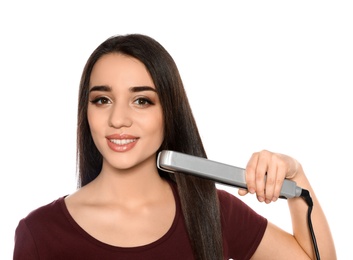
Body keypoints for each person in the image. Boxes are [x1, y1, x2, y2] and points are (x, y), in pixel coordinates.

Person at [13, 33, 336, 260]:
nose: (118, 119)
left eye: (141, 100)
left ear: (169, 112)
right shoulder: (40, 233)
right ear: (87, 111)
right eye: (102, 100)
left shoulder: (213, 211)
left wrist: (297, 176)